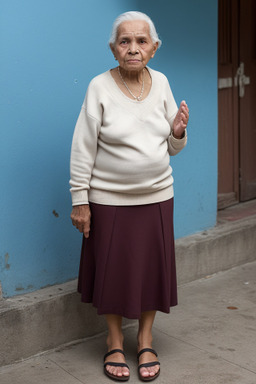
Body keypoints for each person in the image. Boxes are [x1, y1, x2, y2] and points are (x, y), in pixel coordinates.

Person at [70, 11, 189, 382]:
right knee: (112, 273)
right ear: (113, 48)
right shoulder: (98, 87)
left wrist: (178, 133)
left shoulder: (163, 82)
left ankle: (147, 338)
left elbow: (172, 148)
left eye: (141, 42)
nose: (133, 48)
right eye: (125, 41)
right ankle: (115, 340)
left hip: (156, 196)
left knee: (152, 272)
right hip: (109, 200)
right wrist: (80, 199)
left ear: (153, 49)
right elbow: (82, 147)